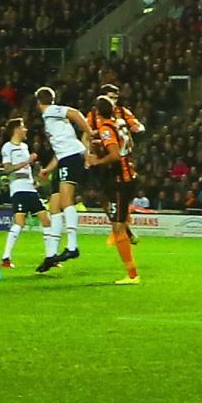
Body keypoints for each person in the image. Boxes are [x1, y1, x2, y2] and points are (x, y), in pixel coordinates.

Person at [84, 93, 142, 286]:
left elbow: (115, 155)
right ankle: (125, 230)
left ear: (98, 112)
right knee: (116, 217)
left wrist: (97, 160)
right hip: (130, 175)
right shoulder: (119, 123)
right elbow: (126, 145)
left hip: (119, 180)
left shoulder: (106, 127)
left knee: (117, 227)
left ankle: (132, 274)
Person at [32, 86, 92, 271]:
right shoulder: (50, 120)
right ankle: (50, 255)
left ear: (38, 102)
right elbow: (60, 150)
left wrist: (90, 132)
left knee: (66, 201)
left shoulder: (51, 111)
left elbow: (73, 112)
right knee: (54, 206)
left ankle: (72, 246)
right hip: (66, 157)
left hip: (73, 157)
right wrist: (48, 170)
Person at [0, 118, 45, 268]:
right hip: (18, 189)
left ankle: (51, 257)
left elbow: (26, 170)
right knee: (20, 222)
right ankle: (6, 258)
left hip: (29, 188)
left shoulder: (24, 146)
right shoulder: (7, 147)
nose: (26, 130)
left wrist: (34, 180)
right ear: (16, 129)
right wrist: (27, 161)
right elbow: (7, 169)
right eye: (23, 127)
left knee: (46, 220)